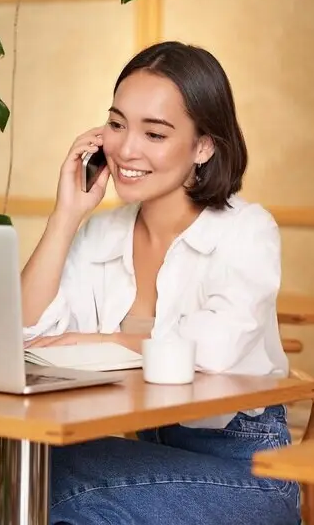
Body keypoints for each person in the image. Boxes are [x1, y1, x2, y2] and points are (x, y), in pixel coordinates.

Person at [19, 41, 299, 525]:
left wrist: (103, 341)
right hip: (150, 453)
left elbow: (215, 348)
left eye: (154, 133)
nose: (126, 149)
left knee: (61, 485)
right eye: (117, 124)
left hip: (248, 472)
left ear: (204, 146)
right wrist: (66, 215)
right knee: (38, 467)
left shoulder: (247, 230)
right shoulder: (101, 233)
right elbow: (29, 331)